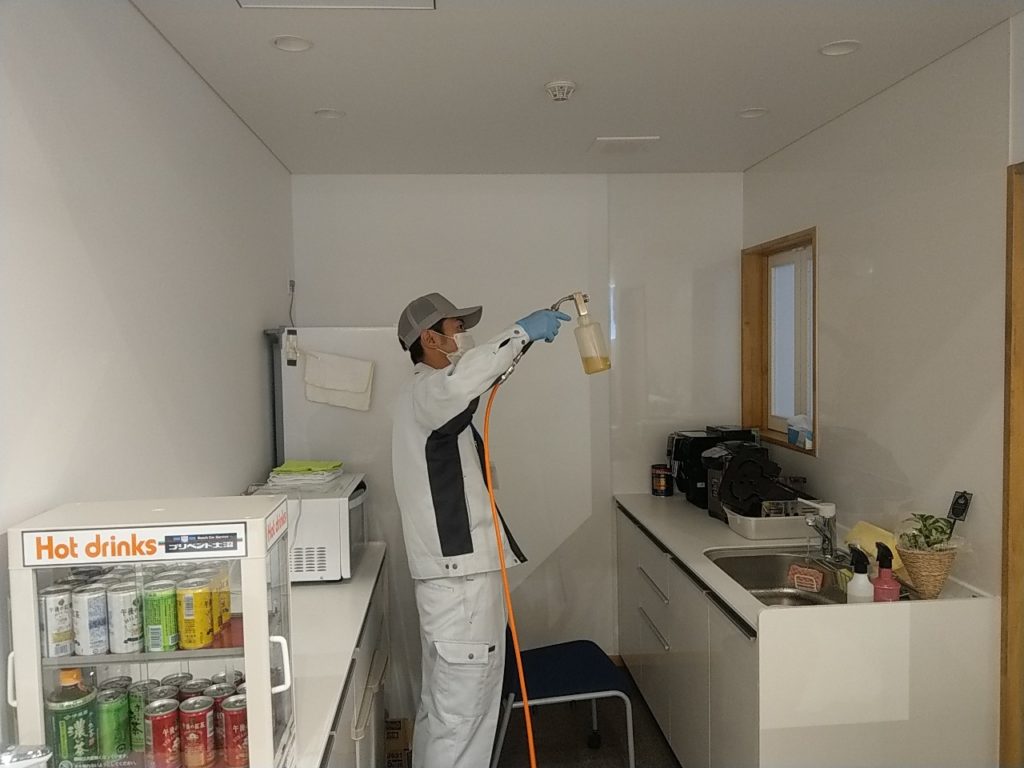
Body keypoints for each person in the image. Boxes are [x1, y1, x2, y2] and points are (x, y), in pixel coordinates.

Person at [391, 292, 570, 768]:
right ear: (430, 338)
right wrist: (521, 333)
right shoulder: (430, 393)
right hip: (461, 586)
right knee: (463, 717)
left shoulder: (425, 398)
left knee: (444, 709)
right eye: (456, 328)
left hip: (455, 582)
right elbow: (463, 382)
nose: (463, 336)